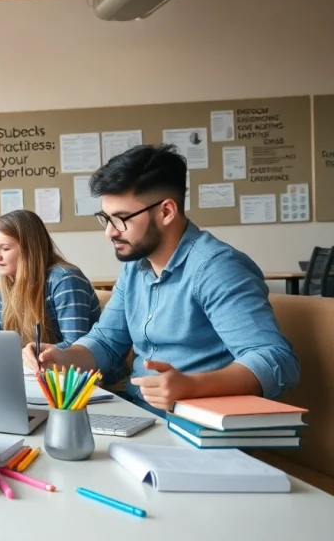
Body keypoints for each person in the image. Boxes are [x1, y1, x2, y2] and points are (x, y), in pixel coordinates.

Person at [23, 144, 299, 414]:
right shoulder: (136, 266)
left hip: (197, 425)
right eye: (105, 218)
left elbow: (276, 360)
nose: (109, 232)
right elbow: (107, 341)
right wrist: (63, 358)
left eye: (121, 219)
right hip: (143, 415)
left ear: (166, 211)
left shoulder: (218, 268)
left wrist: (191, 386)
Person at [0, 209, 101, 348]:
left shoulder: (65, 280)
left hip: (82, 369)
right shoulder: (8, 283)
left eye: (5, 248)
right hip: (35, 368)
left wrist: (29, 354)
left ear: (29, 249)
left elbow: (75, 346)